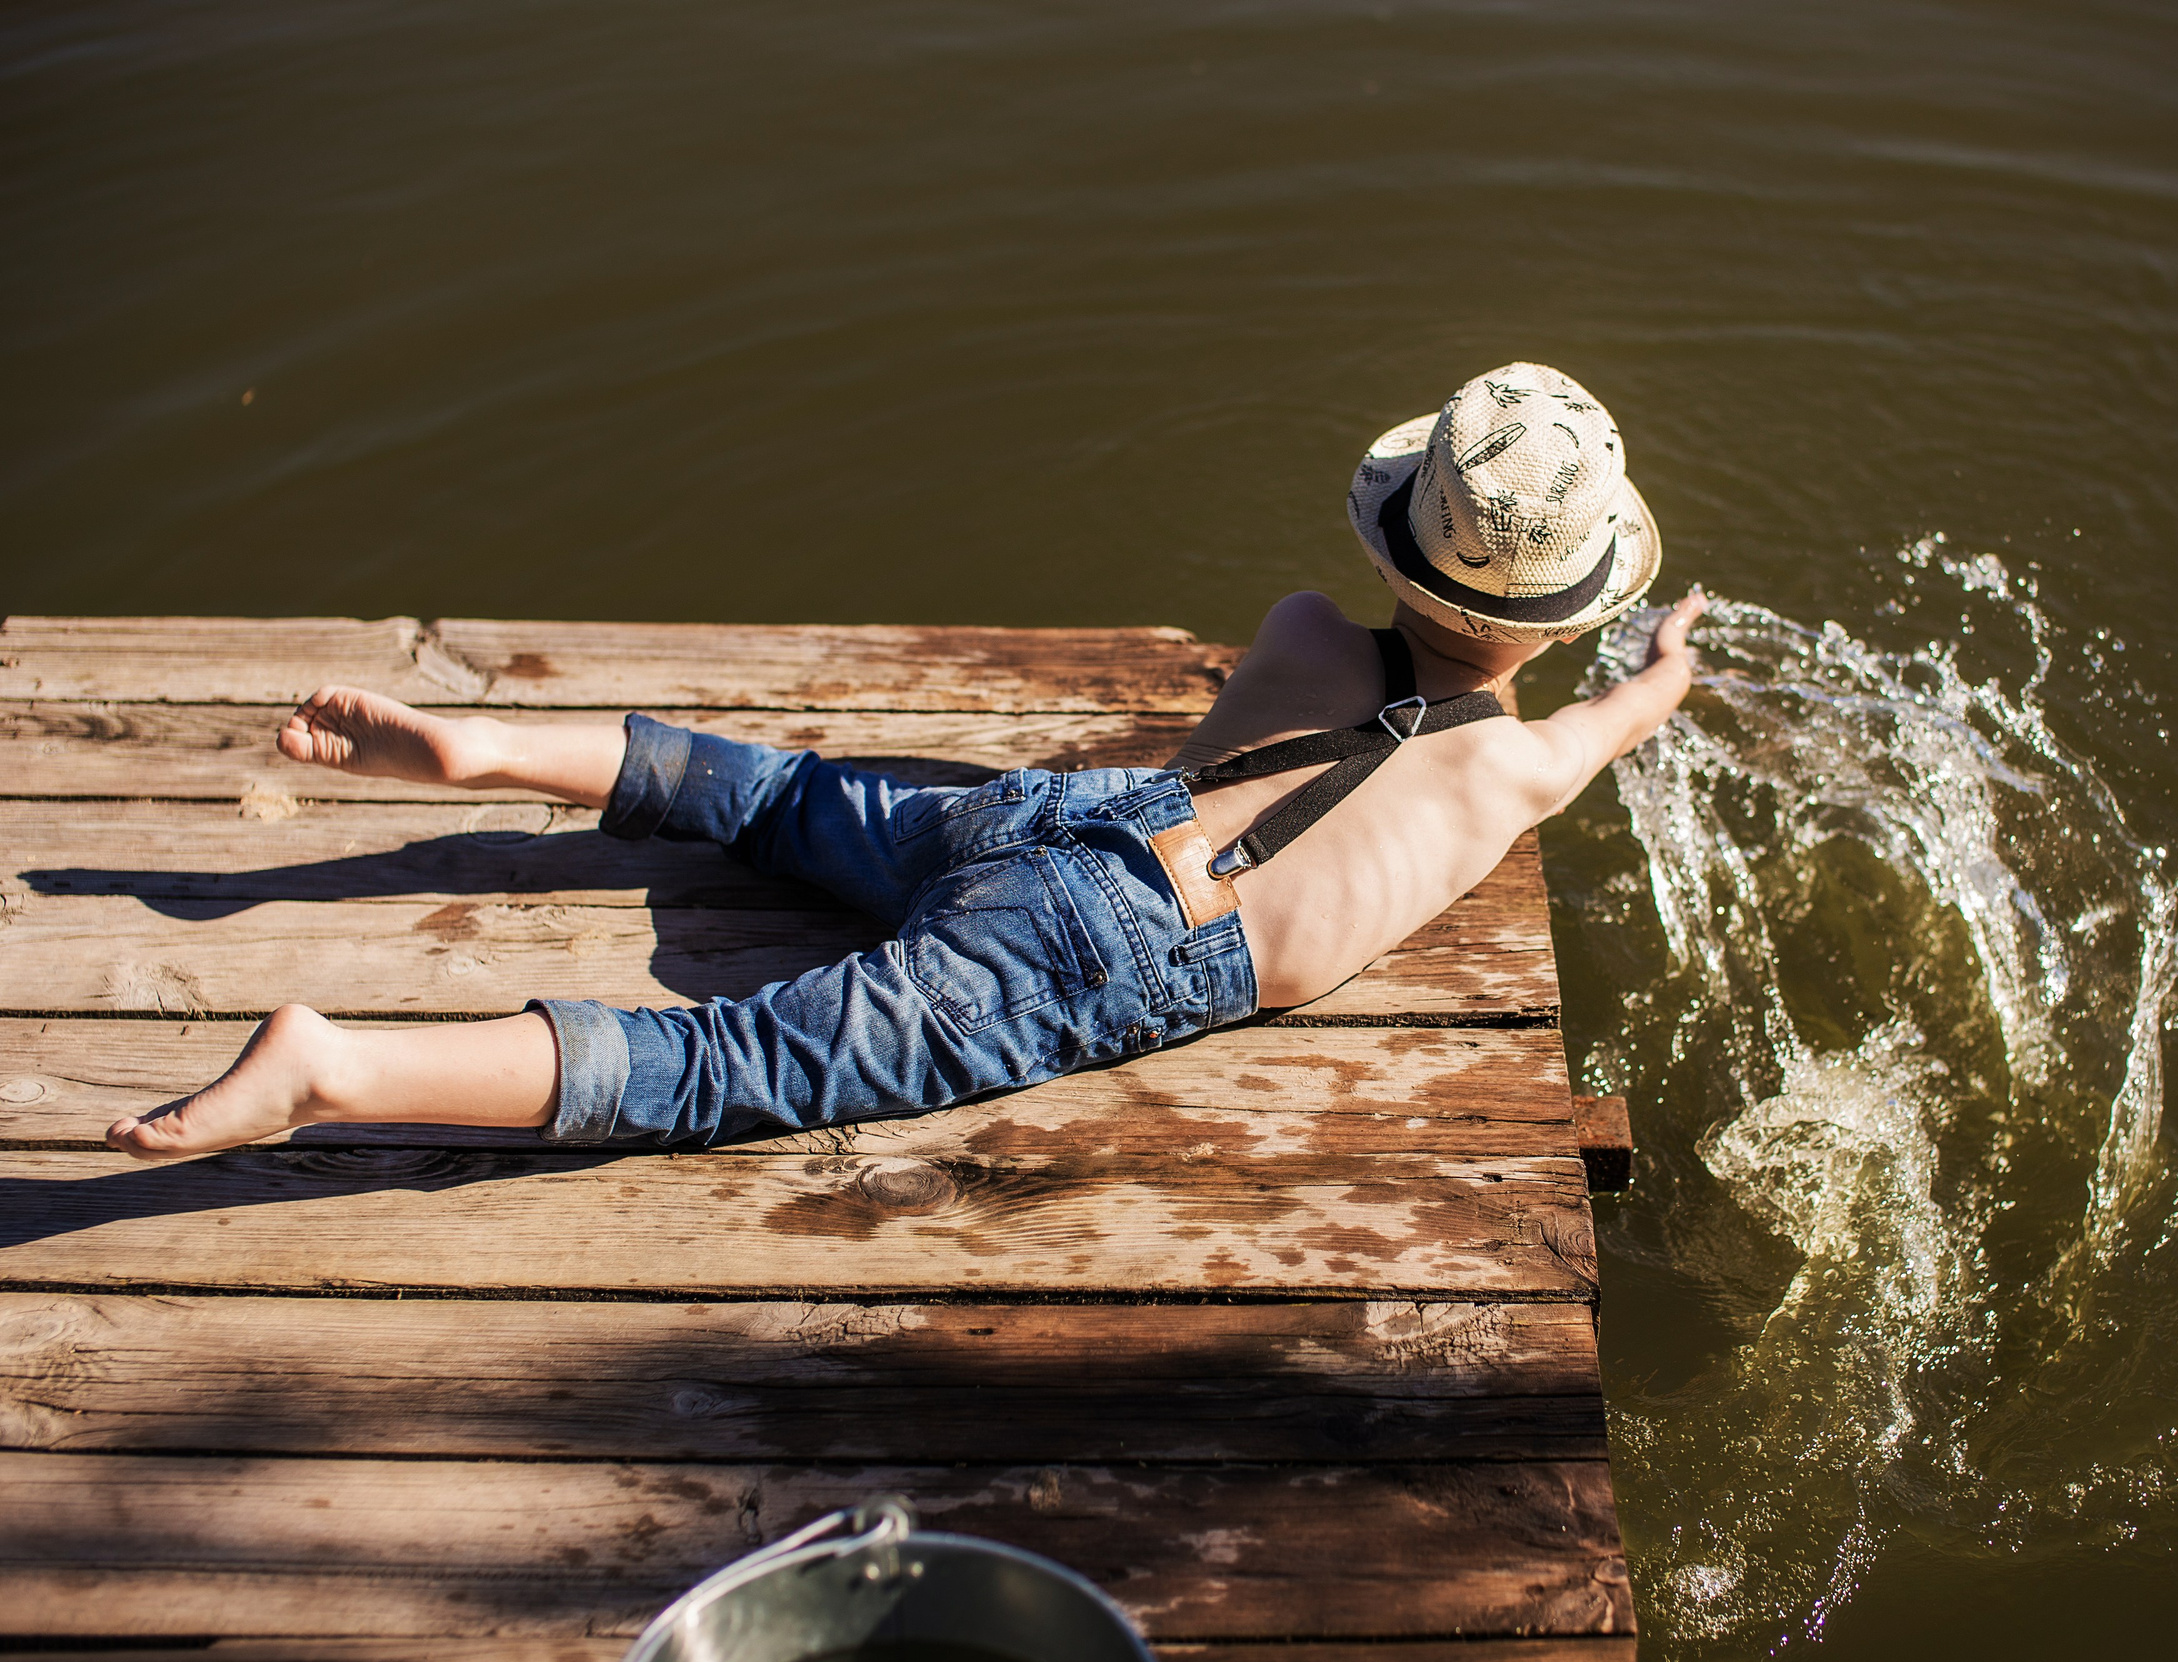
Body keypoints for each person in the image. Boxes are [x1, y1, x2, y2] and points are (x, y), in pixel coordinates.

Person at [106, 361, 1710, 1158]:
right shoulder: (1521, 772)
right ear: (1569, 619)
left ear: (1392, 550)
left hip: (1058, 822)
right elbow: (1616, 717)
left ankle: (482, 744)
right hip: (1110, 957)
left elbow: (1349, 701)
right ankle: (340, 1069)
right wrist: (1670, 667)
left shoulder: (1299, 630)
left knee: (778, 796)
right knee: (738, 1066)